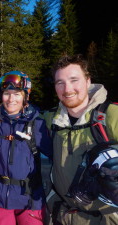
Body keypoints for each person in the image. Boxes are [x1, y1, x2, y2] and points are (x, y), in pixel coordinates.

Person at [43, 54, 118, 225]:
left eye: (74, 80)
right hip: (64, 215)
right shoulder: (50, 120)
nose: (67, 89)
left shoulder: (111, 116)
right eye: (60, 83)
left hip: (106, 219)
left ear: (88, 81)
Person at [0, 71, 52, 225]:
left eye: (17, 94)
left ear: (25, 96)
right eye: (6, 93)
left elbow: (55, 153)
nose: (11, 99)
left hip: (29, 198)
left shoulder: (36, 123)